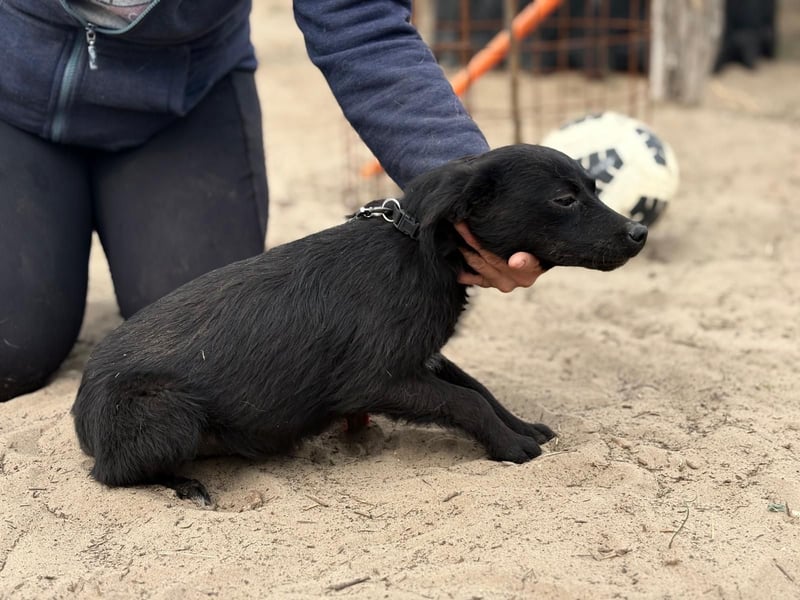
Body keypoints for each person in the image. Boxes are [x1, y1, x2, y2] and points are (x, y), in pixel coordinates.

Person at [0, 0, 543, 402]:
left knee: (219, 351)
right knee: (13, 350)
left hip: (179, 102)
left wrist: (468, 189)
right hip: (12, 91)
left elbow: (362, 21)